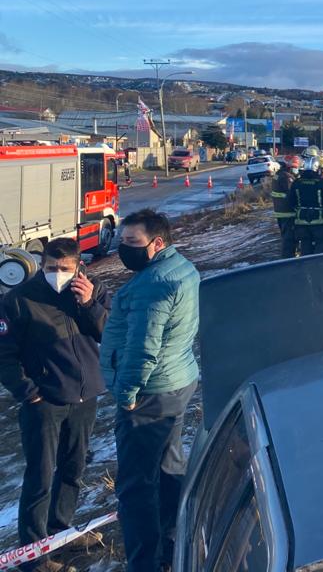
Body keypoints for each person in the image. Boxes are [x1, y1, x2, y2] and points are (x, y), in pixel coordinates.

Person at [0, 239, 111, 572]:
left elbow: (109, 331)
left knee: (73, 469)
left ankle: (60, 531)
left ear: (79, 265)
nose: (58, 275)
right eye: (51, 268)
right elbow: (4, 356)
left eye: (65, 269)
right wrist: (28, 391)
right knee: (40, 477)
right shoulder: (18, 300)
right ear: (41, 265)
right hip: (44, 402)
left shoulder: (95, 291)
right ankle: (34, 555)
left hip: (85, 396)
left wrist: (89, 302)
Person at [100, 210, 200, 572]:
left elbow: (143, 349)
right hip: (176, 381)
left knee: (135, 487)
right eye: (121, 240)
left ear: (157, 243)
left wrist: (127, 395)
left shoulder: (153, 284)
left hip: (150, 393)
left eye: (131, 242)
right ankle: (174, 546)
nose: (122, 248)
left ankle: (145, 563)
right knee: (168, 466)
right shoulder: (180, 267)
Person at [289, 154, 323, 256]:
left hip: (301, 223)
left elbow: (291, 201)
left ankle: (307, 268)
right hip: (320, 224)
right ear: (317, 169)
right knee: (321, 249)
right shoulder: (322, 183)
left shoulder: (296, 183)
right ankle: (318, 269)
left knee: (305, 249)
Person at [271, 155, 301, 258]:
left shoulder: (279, 174)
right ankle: (288, 259)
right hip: (288, 212)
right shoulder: (286, 177)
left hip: (281, 212)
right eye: (295, 167)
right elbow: (292, 192)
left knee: (286, 237)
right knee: (289, 239)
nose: (296, 169)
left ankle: (289, 257)